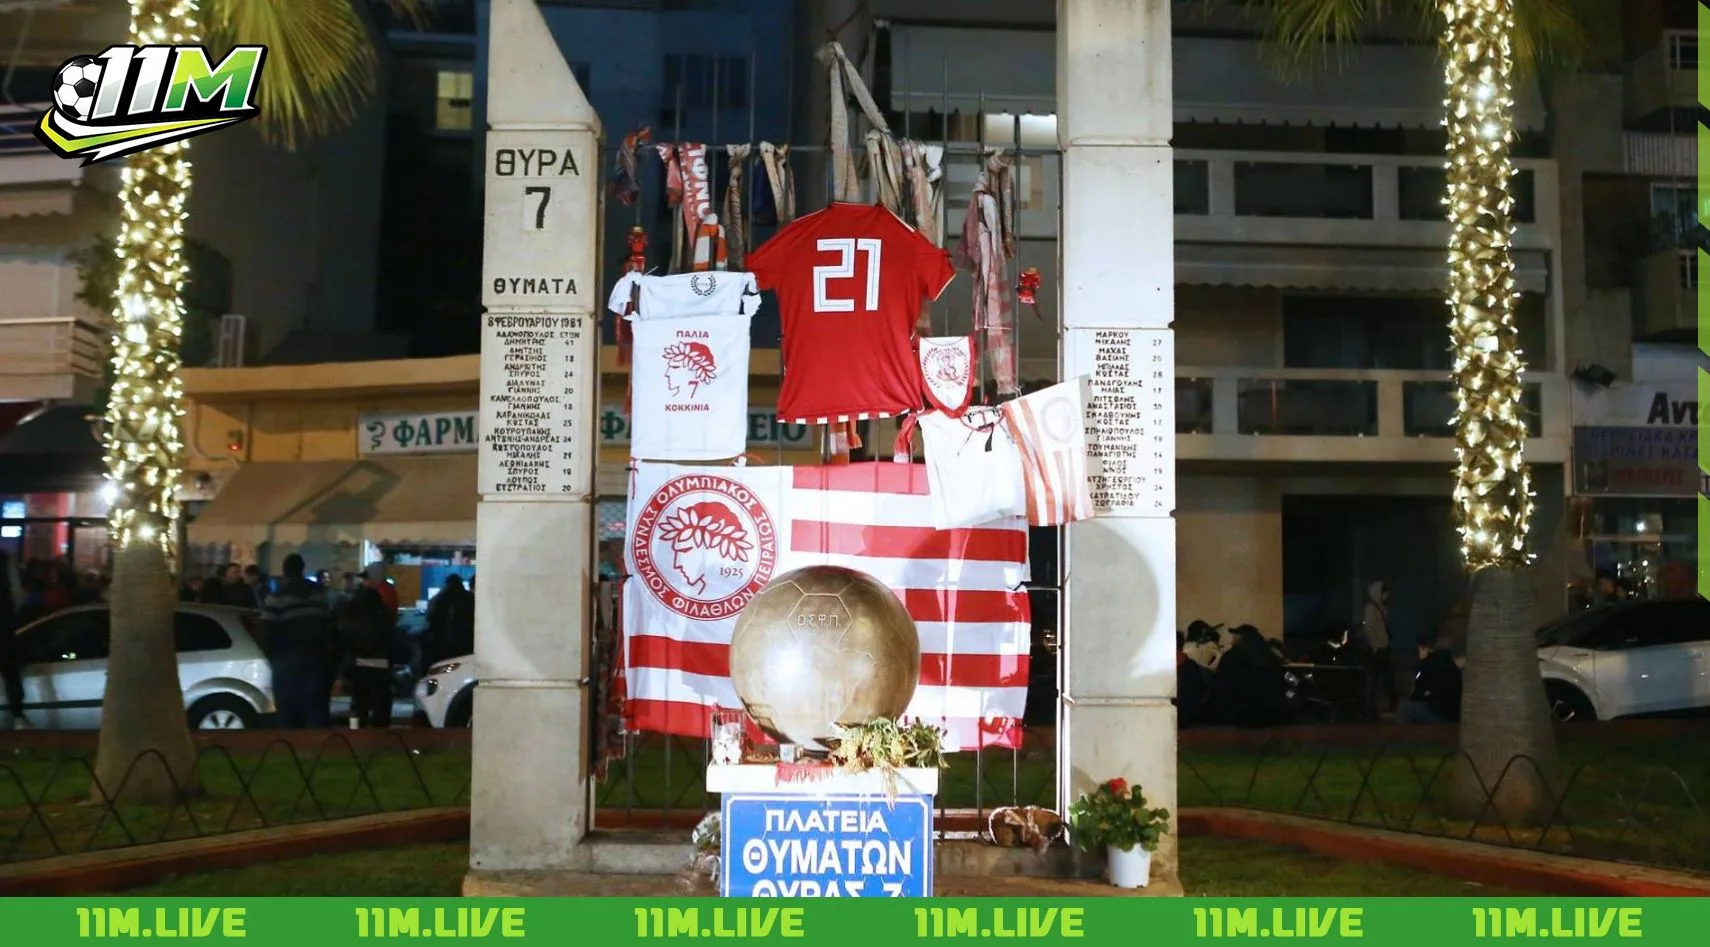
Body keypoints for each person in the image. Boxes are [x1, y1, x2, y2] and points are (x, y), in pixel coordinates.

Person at [259, 554, 338, 728]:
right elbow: (329, 626)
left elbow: (266, 632)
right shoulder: (318, 596)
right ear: (302, 569)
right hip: (316, 656)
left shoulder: (276, 597)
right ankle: (317, 747)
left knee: (287, 708)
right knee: (315, 706)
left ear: (284, 571)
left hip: (286, 657)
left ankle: (291, 746)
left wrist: (274, 657)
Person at [338, 579, 396, 729]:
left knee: (360, 704)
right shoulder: (381, 612)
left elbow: (343, 635)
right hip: (381, 664)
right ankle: (380, 736)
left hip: (358, 664)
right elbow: (392, 637)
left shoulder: (352, 612)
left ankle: (358, 734)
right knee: (381, 705)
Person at [1397, 634, 1462, 725]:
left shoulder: (1426, 666)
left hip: (1437, 713)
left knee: (1404, 709)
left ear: (1425, 649)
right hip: (1453, 714)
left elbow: (1417, 693)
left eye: (1419, 649)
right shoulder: (1450, 664)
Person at [1, 549, 28, 729]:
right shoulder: (5, 559)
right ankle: (18, 715)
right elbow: (17, 595)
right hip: (3, 625)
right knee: (11, 672)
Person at [424, 574, 475, 669]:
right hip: (466, 647)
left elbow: (431, 620)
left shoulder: (439, 599)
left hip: (443, 645)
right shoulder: (469, 598)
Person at [1361, 580, 1395, 715]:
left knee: (1385, 677)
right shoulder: (1371, 608)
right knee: (1378, 677)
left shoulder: (1381, 607)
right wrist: (1375, 646)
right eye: (1385, 593)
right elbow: (1369, 629)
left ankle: (1386, 703)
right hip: (1378, 649)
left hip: (1383, 646)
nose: (1387, 595)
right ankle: (1370, 705)